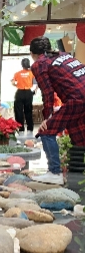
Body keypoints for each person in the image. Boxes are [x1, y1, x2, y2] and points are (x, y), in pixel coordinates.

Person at [31, 36, 85, 185]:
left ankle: (54, 172)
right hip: (80, 97)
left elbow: (47, 93)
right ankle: (78, 175)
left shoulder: (39, 64)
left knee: (46, 131)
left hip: (77, 99)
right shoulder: (64, 55)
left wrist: (47, 117)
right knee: (79, 136)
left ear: (32, 54)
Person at [12, 58, 37, 134]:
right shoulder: (32, 73)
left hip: (19, 93)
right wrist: (35, 90)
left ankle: (21, 128)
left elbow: (13, 82)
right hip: (28, 93)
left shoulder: (17, 73)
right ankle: (30, 128)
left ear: (22, 65)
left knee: (18, 111)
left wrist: (17, 85)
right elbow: (36, 83)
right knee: (28, 111)